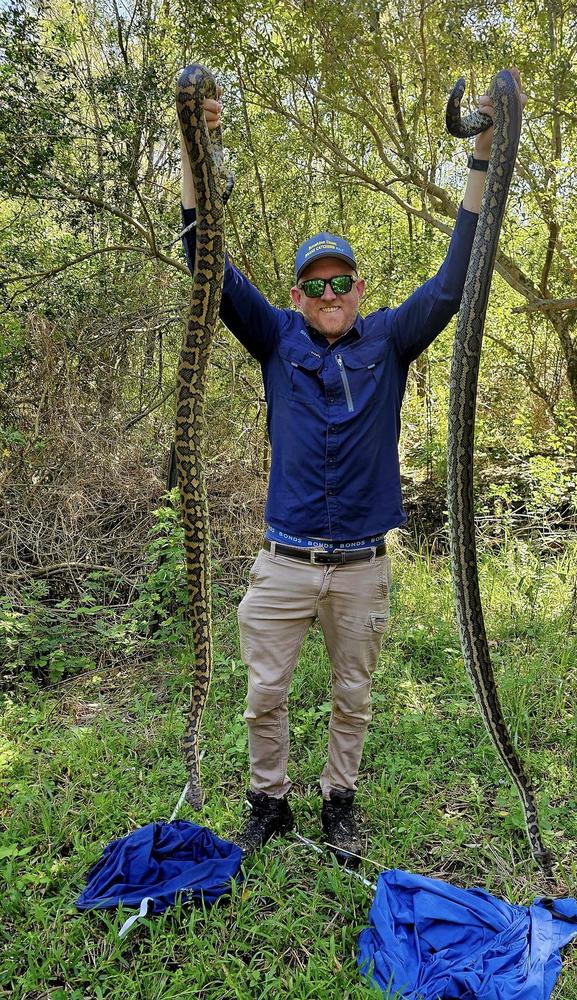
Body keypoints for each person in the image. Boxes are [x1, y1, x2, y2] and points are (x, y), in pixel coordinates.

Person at [180, 71, 526, 865]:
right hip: (285, 561)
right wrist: (196, 147)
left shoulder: (390, 341)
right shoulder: (274, 338)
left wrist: (480, 157)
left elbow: (453, 281)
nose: (328, 292)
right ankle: (269, 802)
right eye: (315, 283)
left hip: (363, 567)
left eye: (340, 281)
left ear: (359, 289)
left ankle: (340, 801)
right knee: (263, 695)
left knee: (353, 698)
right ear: (298, 294)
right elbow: (206, 258)